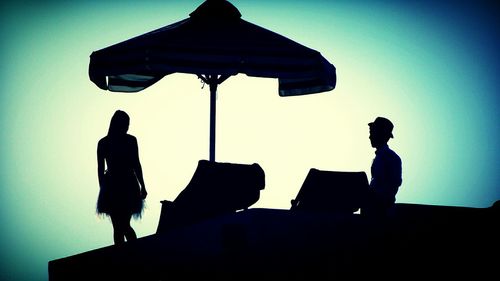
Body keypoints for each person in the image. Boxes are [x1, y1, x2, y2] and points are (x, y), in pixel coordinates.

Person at [96, 110, 148, 245]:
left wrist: (143, 185)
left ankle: (130, 253)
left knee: (122, 225)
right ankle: (126, 254)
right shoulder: (104, 143)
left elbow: (136, 163)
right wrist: (103, 189)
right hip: (114, 186)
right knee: (119, 227)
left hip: (126, 185)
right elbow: (100, 169)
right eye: (125, 124)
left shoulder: (125, 141)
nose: (127, 127)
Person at [361, 117, 402, 218]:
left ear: (381, 134)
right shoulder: (381, 157)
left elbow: (392, 185)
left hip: (381, 212)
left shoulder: (390, 157)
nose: (369, 137)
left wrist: (373, 197)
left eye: (372, 133)